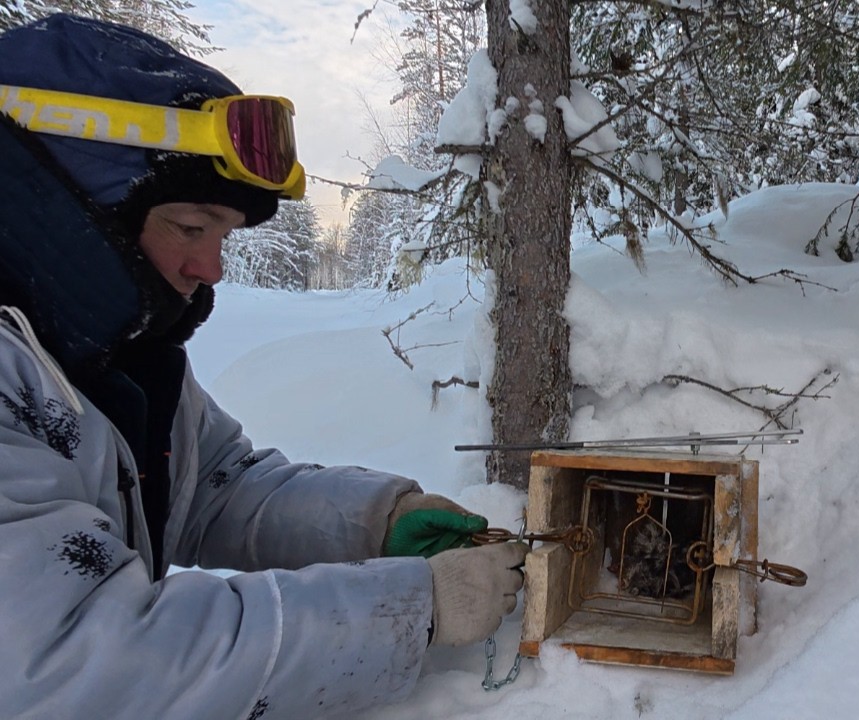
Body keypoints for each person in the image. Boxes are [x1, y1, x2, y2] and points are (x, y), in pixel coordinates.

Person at [0, 13, 528, 719]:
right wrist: (410, 609)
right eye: (192, 228)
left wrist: (375, 523)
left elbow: (217, 489)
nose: (209, 268)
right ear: (61, 204)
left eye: (223, 237)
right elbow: (77, 663)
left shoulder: (108, 357)